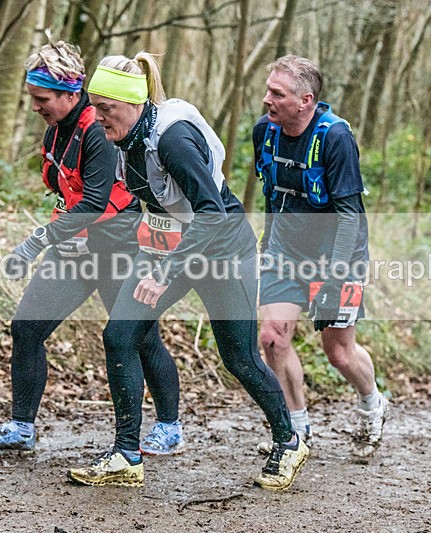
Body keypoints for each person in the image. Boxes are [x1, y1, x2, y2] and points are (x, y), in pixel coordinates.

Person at [66, 52, 309, 491]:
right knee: (120, 334)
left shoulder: (172, 139)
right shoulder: (126, 137)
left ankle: (288, 441)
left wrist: (163, 272)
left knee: (239, 358)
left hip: (223, 248)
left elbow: (211, 212)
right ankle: (126, 455)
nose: (97, 118)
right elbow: (153, 205)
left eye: (106, 108)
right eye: (95, 107)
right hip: (173, 244)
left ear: (133, 103)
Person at [0, 35, 183, 457]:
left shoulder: (97, 130)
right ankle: (21, 428)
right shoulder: (57, 131)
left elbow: (95, 202)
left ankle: (169, 427)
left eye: (42, 98)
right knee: (27, 328)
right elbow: (67, 193)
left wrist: (35, 243)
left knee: (140, 338)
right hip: (74, 251)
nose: (35, 107)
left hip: (119, 250)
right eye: (31, 97)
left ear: (69, 94)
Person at [253, 55, 388, 461]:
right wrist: (267, 243)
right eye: (268, 90)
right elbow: (272, 194)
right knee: (272, 338)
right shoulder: (265, 132)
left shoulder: (335, 138)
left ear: (305, 100)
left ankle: (372, 404)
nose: (267, 99)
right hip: (284, 252)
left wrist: (335, 276)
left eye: (277, 93)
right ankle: (296, 432)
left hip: (337, 256)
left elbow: (349, 215)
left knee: (339, 353)